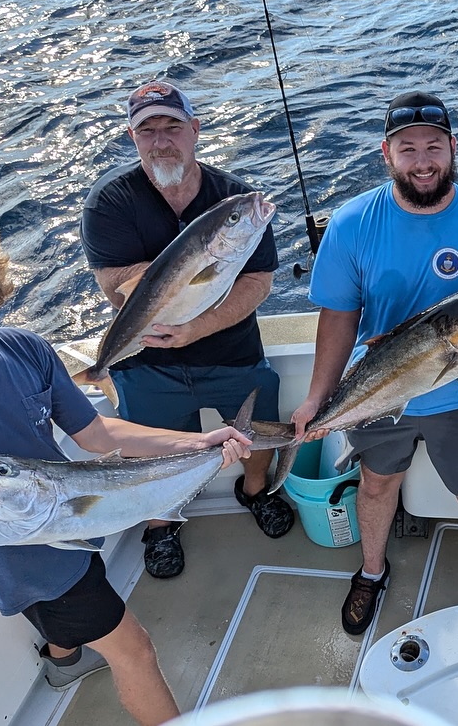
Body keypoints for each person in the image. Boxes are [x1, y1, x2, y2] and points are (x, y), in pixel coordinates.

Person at [0, 220, 253, 726]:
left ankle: (63, 662)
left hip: (72, 517)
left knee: (69, 616)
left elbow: (99, 437)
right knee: (134, 651)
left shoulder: (22, 349)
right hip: (28, 564)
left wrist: (200, 443)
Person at [291, 91, 458, 636]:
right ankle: (371, 571)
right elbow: (340, 319)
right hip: (380, 389)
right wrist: (315, 399)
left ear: (453, 149)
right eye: (409, 149)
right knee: (375, 486)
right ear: (386, 154)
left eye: (434, 147)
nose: (423, 161)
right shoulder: (351, 224)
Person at [81, 80, 293, 580]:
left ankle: (254, 492)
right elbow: (116, 288)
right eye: (146, 130)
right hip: (145, 360)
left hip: (231, 349)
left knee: (254, 432)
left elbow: (259, 281)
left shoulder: (234, 200)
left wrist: (198, 326)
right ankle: (161, 526)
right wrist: (191, 262)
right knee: (152, 449)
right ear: (132, 138)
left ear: (195, 130)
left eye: (172, 127)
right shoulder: (109, 203)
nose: (161, 140)